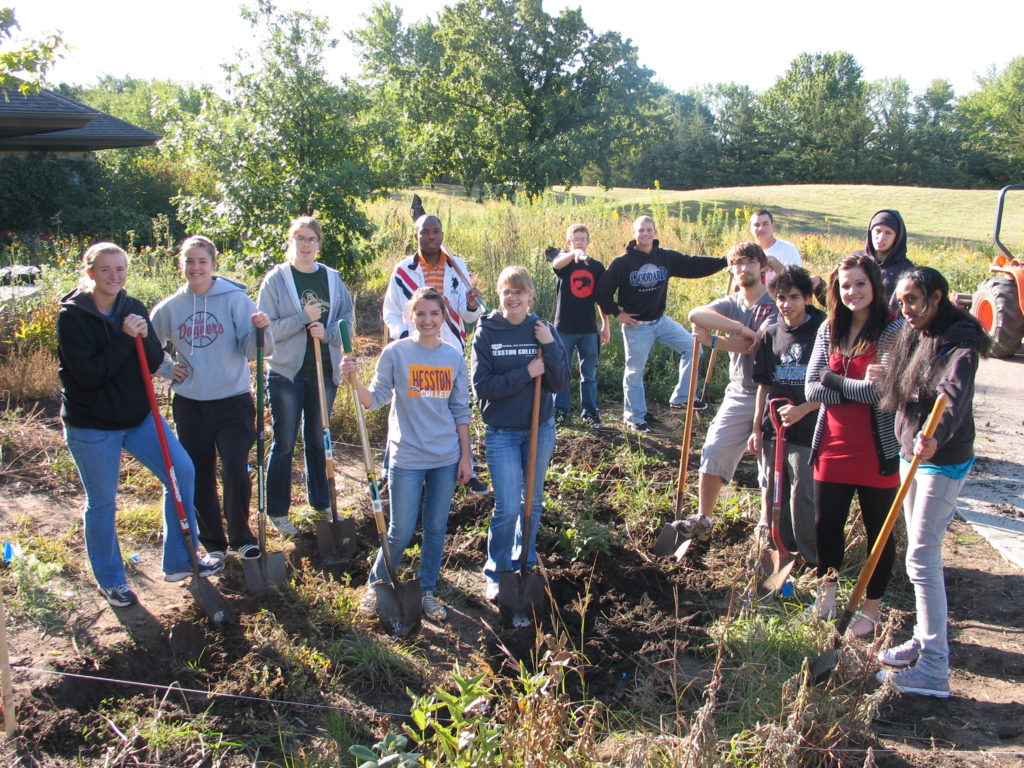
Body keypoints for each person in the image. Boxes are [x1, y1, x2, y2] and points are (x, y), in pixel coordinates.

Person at [57, 242, 223, 608]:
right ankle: (112, 579)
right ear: (90, 274)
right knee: (102, 503)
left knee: (180, 470)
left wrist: (143, 334)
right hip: (91, 425)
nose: (115, 277)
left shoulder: (131, 307)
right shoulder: (72, 317)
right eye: (106, 270)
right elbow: (87, 376)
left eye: (120, 269)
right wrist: (123, 336)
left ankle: (182, 560)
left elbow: (149, 360)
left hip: (138, 417)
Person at [874, 267, 989, 698]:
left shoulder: (960, 343)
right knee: (915, 557)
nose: (905, 310)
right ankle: (923, 640)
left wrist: (935, 437)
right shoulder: (914, 332)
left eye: (913, 301)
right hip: (911, 452)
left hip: (941, 459)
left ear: (936, 297)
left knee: (922, 558)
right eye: (900, 302)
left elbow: (953, 395)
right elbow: (905, 387)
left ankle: (935, 670)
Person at [342, 287, 472, 622]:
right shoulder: (396, 353)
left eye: (434, 314)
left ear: (444, 317)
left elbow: (460, 410)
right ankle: (376, 586)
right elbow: (375, 399)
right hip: (407, 457)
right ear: (410, 316)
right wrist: (354, 382)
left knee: (435, 527)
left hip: (445, 456)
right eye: (420, 313)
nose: (427, 320)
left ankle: (426, 590)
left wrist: (466, 456)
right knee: (399, 530)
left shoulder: (454, 357)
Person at [152, 235, 273, 562]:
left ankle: (241, 536)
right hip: (191, 404)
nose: (195, 267)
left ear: (213, 264)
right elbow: (147, 344)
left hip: (233, 400)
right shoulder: (170, 307)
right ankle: (214, 544)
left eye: (201, 261)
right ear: (181, 264)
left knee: (235, 467)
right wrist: (166, 368)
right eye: (189, 261)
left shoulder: (235, 300)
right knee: (199, 472)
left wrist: (262, 331)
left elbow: (255, 351)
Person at [805, 253, 904, 638]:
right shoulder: (829, 329)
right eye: (845, 285)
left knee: (879, 533)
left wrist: (835, 381)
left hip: (878, 450)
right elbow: (810, 386)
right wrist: (852, 387)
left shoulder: (892, 330)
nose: (852, 292)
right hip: (831, 444)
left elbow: (885, 393)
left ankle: (871, 609)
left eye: (860, 283)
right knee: (826, 526)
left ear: (875, 286)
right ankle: (826, 596)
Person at [471, 266, 569, 625]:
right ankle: (497, 572)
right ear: (500, 295)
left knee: (533, 502)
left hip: (539, 429)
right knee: (508, 506)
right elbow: (483, 387)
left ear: (530, 296)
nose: (512, 298)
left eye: (519, 292)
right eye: (506, 292)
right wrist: (526, 374)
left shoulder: (543, 329)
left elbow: (558, 382)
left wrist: (548, 346)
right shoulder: (487, 330)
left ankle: (525, 562)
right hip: (502, 432)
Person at [257, 216, 354, 534]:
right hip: (287, 373)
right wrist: (302, 318)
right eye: (300, 238)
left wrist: (325, 333)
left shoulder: (332, 279)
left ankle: (320, 502)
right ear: (291, 241)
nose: (306, 244)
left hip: (324, 373)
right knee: (284, 442)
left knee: (317, 438)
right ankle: (278, 511)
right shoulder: (276, 280)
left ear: (319, 243)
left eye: (311, 239)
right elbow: (266, 330)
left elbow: (347, 327)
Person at [679, 242, 778, 541]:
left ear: (763, 267)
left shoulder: (774, 304)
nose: (743, 268)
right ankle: (704, 519)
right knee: (713, 449)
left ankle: (766, 527)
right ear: (732, 270)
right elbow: (696, 315)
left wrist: (714, 342)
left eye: (749, 262)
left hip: (772, 392)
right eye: (737, 263)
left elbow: (756, 347)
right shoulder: (732, 303)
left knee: (769, 464)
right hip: (738, 392)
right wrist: (740, 328)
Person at [381, 213, 486, 493]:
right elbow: (391, 311)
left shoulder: (457, 266)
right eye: (425, 232)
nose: (431, 237)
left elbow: (467, 315)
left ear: (442, 235)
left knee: (456, 406)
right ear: (415, 236)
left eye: (436, 231)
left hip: (448, 350)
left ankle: (467, 467)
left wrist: (472, 303)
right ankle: (389, 468)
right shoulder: (403, 270)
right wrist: (406, 339)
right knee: (404, 406)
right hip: (413, 351)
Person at [595, 215, 727, 432]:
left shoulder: (665, 257)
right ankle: (634, 418)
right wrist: (617, 313)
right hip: (637, 327)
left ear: (655, 232)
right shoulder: (622, 263)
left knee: (692, 348)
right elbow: (602, 292)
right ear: (634, 233)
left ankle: (683, 396)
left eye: (649, 230)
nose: (645, 234)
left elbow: (693, 264)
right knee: (634, 372)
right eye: (641, 230)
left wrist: (723, 262)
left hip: (661, 321)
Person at [749, 266, 825, 564]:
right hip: (774, 429)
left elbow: (832, 384)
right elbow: (764, 384)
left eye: (794, 297)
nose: (786, 304)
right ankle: (782, 552)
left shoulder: (822, 331)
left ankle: (811, 558)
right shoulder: (771, 334)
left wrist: (803, 409)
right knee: (772, 490)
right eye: (781, 297)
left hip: (808, 429)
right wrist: (757, 426)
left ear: (807, 298)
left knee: (801, 496)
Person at [551, 223, 610, 427]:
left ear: (588, 242)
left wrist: (605, 326)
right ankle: (559, 410)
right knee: (562, 372)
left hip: (588, 330)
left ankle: (590, 412)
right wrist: (572, 253)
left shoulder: (596, 267)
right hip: (564, 329)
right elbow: (556, 264)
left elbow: (602, 298)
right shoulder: (564, 263)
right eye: (575, 239)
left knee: (589, 375)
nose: (579, 243)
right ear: (568, 242)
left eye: (582, 239)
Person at [865, 209, 914, 310]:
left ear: (896, 237)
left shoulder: (907, 271)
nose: (881, 237)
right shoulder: (856, 261)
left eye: (888, 233)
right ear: (870, 232)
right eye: (877, 231)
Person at [749, 209, 801, 286]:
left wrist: (772, 262)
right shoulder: (747, 252)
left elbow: (797, 282)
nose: (761, 228)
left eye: (765, 224)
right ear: (751, 229)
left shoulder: (788, 249)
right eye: (756, 225)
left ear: (773, 226)